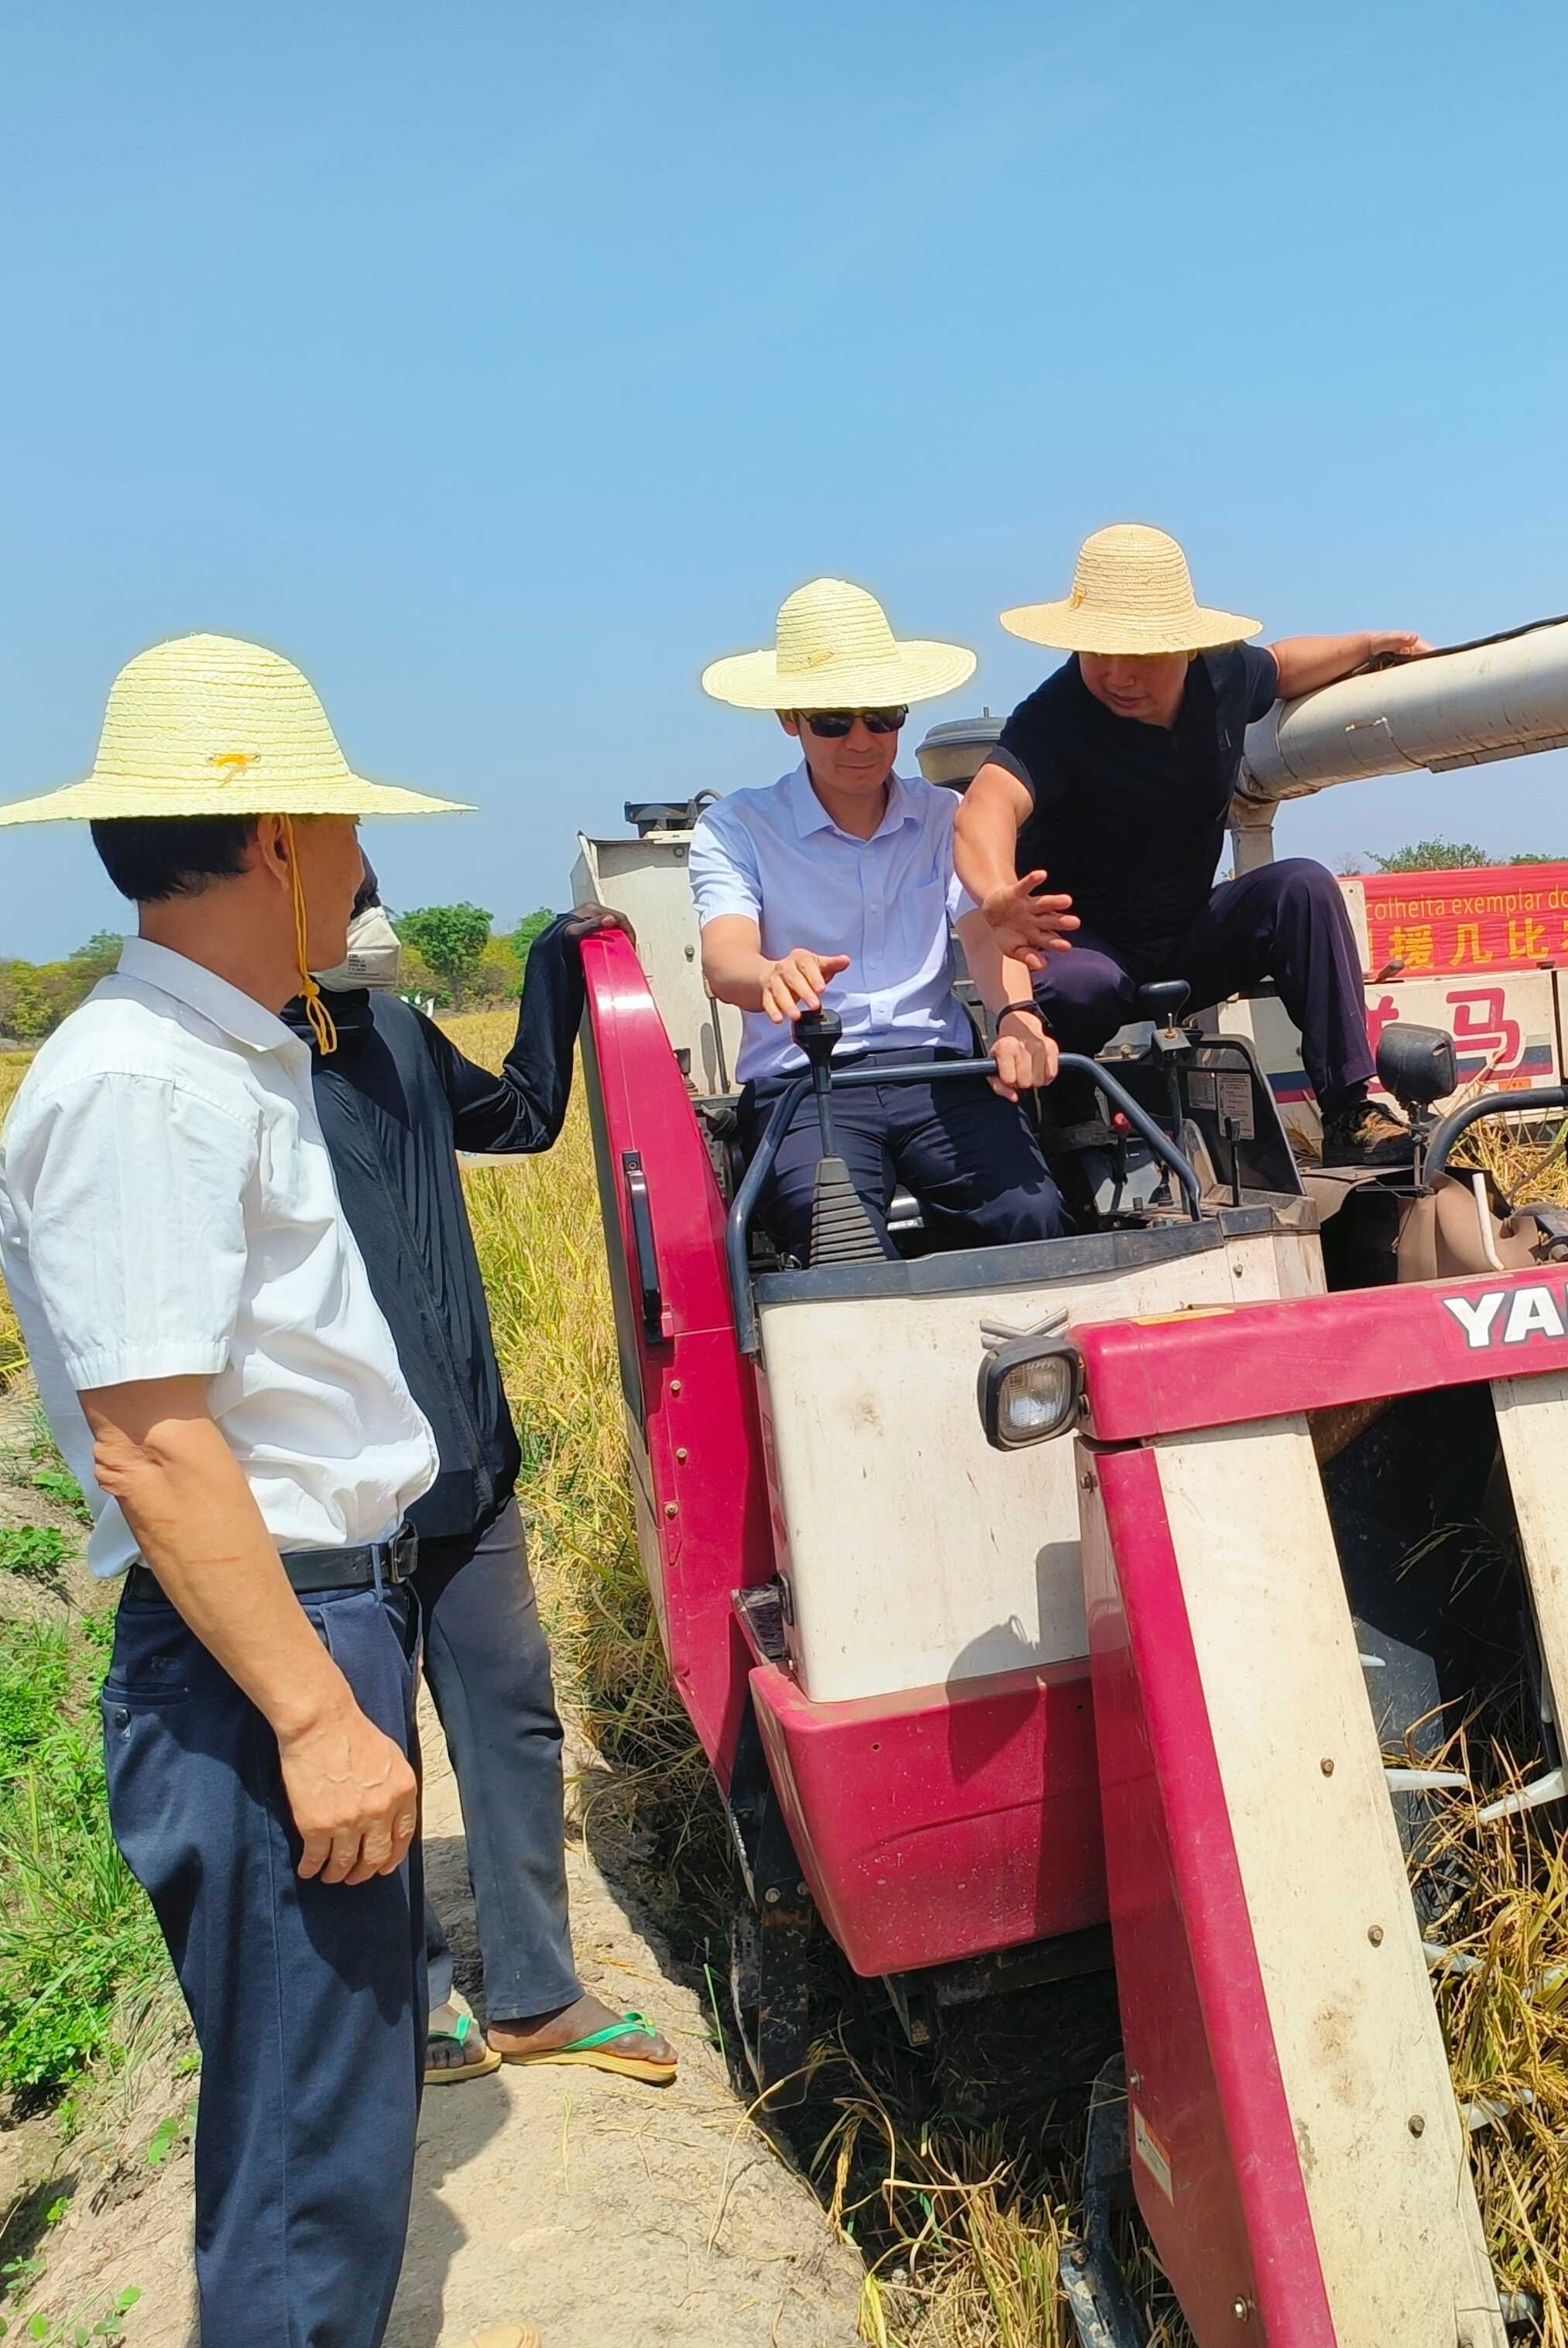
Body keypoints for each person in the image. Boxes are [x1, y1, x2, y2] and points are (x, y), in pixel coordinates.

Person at [0, 635, 500, 2346]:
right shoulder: (140, 1084)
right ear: (281, 838)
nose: (367, 865)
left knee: (338, 2141)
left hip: (301, 1622)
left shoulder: (227, 1058)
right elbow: (154, 1441)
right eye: (349, 829)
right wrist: (311, 1713)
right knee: (303, 2175)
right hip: (259, 1649)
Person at [290, 867, 677, 2090]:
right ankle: (416, 2002)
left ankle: (535, 1993)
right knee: (375, 1737)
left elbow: (516, 1116)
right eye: (342, 899)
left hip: (471, 1462)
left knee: (511, 1714)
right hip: (347, 1493)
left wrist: (556, 967)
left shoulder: (399, 1031)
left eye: (369, 893)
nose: (371, 924)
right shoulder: (251, 1079)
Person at [957, 523, 1423, 1164]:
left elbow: (1283, 668)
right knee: (1079, 985)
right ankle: (1066, 1105)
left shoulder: (1224, 676)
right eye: (1098, 652)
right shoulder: (1054, 716)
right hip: (1085, 946)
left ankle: (1349, 1107)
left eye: (1139, 654)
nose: (1117, 674)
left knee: (1302, 886)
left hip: (1187, 936)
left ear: (1185, 648)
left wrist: (1371, 645)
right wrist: (995, 895)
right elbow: (986, 804)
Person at [691, 578, 1067, 1261]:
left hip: (936, 1073)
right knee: (836, 1241)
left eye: (882, 717)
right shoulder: (736, 827)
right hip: (807, 1082)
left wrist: (1017, 1016)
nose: (861, 740)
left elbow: (983, 931)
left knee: (1031, 1211)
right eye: (833, 721)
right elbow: (725, 960)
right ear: (789, 718)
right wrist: (773, 974)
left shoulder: (943, 818)